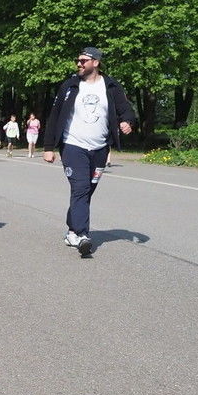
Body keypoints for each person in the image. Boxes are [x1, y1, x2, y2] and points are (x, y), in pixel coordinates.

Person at [42, 47, 135, 258]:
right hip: (73, 145)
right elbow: (54, 116)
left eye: (83, 60)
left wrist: (127, 121)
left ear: (96, 62)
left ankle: (72, 229)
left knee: (86, 190)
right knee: (81, 187)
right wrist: (48, 147)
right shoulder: (70, 85)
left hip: (100, 148)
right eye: (78, 60)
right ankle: (83, 235)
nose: (79, 64)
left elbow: (126, 109)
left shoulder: (110, 86)